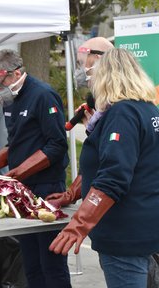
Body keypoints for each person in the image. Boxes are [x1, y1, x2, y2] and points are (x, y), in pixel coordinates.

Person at [49, 48, 159, 288]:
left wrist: (78, 225)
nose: (90, 82)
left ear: (106, 77)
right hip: (147, 221)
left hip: (125, 230)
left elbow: (113, 176)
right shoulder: (149, 110)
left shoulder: (123, 114)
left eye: (92, 75)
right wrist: (72, 194)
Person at [0, 49, 72, 288]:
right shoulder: (12, 99)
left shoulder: (43, 95)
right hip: (22, 190)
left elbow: (56, 145)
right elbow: (17, 143)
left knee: (51, 260)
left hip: (45, 188)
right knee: (30, 262)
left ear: (16, 74)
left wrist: (15, 174)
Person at [46, 37, 114, 208]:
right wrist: (71, 194)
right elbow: (95, 157)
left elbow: (112, 170)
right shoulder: (102, 104)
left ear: (97, 61)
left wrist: (79, 225)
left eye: (81, 62)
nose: (80, 70)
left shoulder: (120, 108)